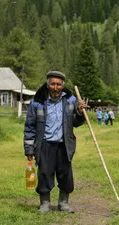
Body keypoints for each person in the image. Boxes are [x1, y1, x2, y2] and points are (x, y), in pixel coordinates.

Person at [24, 71, 87, 214]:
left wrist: (80, 111)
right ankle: (45, 204)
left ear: (62, 86)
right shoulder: (37, 102)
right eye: (52, 84)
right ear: (48, 84)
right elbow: (29, 126)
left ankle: (63, 203)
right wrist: (29, 149)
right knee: (44, 174)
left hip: (64, 145)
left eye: (58, 84)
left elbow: (76, 123)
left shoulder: (70, 101)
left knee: (65, 174)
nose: (55, 87)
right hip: (45, 145)